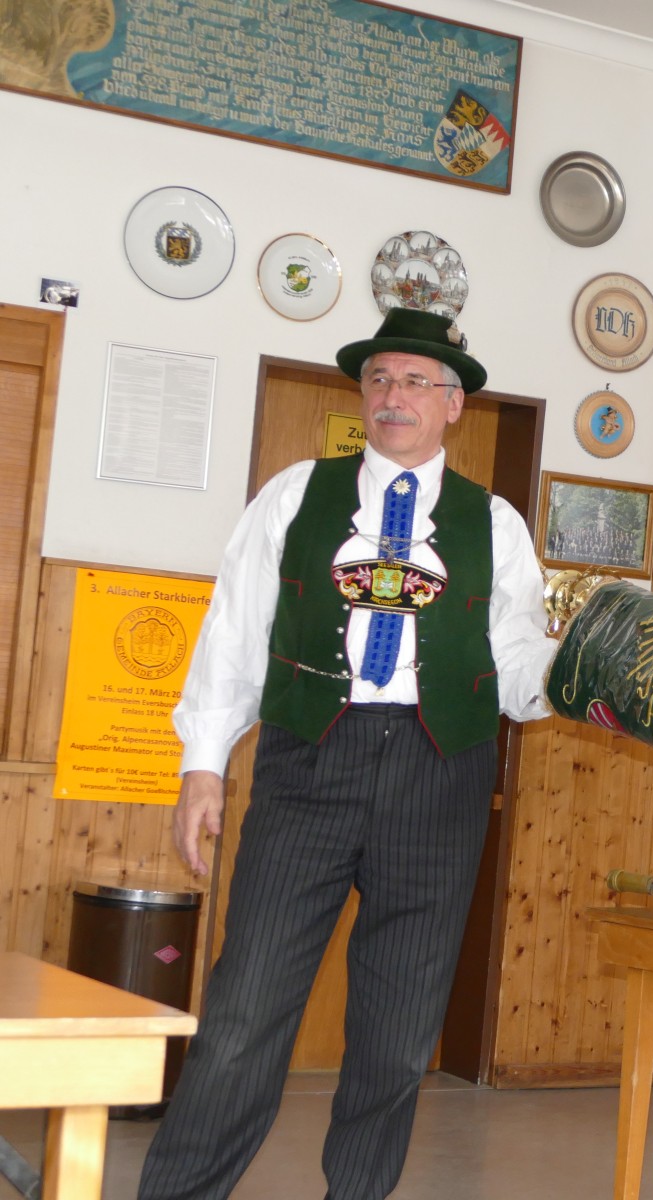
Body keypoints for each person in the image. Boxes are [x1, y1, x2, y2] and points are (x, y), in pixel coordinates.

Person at [139, 309, 558, 1200]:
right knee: (245, 1009)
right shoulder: (295, 495)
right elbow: (233, 632)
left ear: (453, 404)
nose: (393, 396)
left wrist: (580, 678)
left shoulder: (497, 525)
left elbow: (519, 663)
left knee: (398, 1032)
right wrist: (203, 762)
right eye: (379, 379)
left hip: (439, 774)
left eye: (415, 382)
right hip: (309, 762)